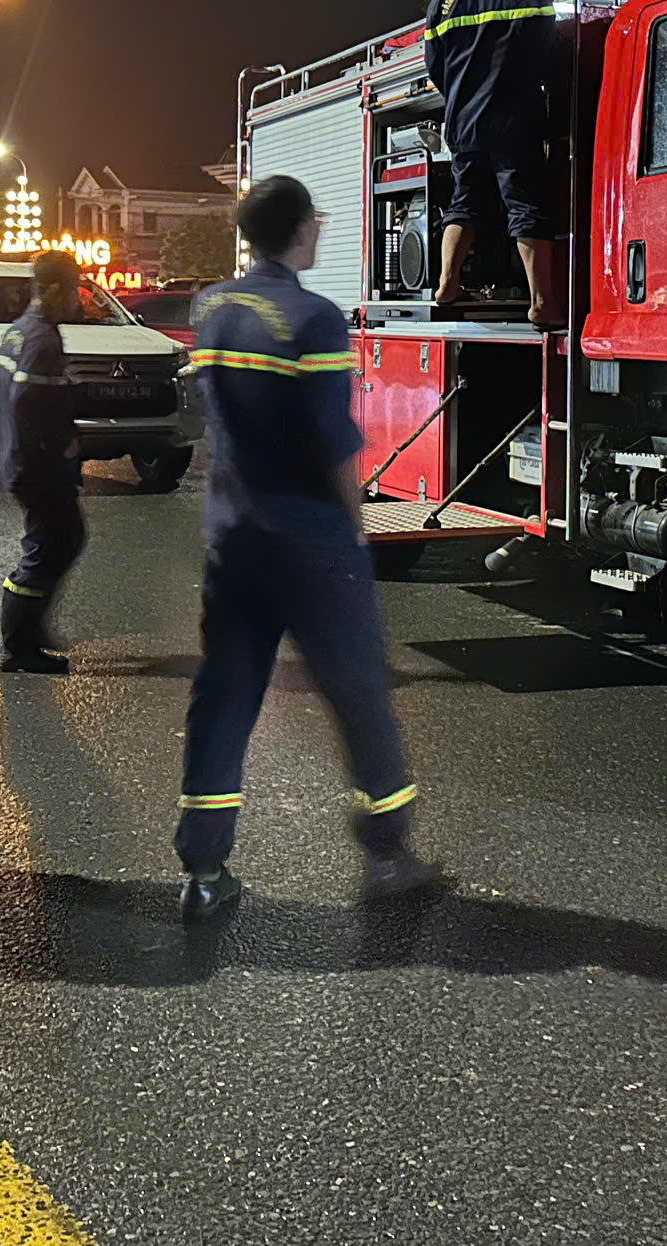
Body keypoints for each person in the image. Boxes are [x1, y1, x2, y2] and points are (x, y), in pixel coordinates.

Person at [174, 175, 445, 922]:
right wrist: (355, 529)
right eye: (316, 220)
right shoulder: (316, 319)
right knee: (359, 691)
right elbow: (332, 442)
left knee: (225, 695)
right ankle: (387, 852)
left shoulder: (211, 307)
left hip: (234, 536)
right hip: (309, 540)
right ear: (300, 229)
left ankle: (204, 868)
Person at [422, 0, 563, 326]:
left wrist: (462, 96)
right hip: (515, 118)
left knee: (464, 201)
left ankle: (447, 282)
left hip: (464, 122)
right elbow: (548, 54)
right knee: (525, 204)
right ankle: (541, 302)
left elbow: (435, 67)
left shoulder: (442, 2)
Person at [0, 249, 85, 676]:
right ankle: (19, 646)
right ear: (52, 290)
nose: (77, 300)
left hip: (20, 460)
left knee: (57, 541)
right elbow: (30, 402)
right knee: (52, 546)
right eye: (73, 290)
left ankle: (30, 629)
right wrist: (62, 446)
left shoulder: (19, 331)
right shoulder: (42, 339)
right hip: (38, 466)